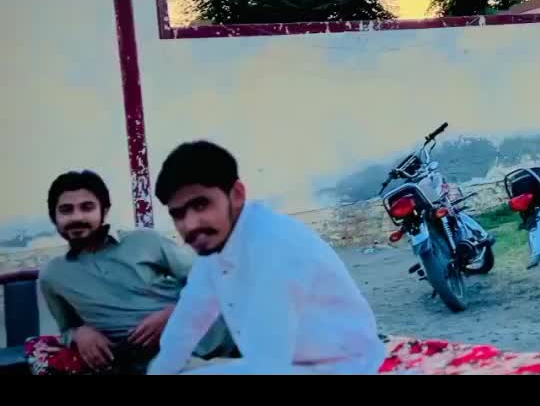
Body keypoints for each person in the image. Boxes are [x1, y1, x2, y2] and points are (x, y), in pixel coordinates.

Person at [147, 141, 385, 376]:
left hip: (341, 366)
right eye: (178, 214)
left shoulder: (272, 247)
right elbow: (187, 323)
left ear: (237, 195)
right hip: (288, 363)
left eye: (201, 205)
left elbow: (268, 366)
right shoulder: (216, 245)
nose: (190, 225)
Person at [30, 169, 233, 375]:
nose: (77, 217)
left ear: (104, 211)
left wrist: (172, 314)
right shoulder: (53, 275)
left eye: (87, 207)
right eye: (66, 210)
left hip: (221, 332)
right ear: (54, 218)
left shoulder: (144, 241)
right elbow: (66, 328)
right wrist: (79, 333)